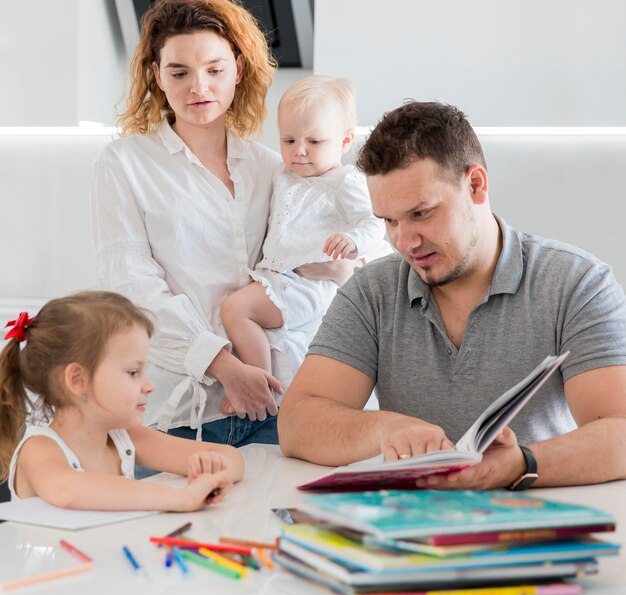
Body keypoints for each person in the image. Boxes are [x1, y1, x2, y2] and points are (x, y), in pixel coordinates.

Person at [278, 100, 626, 490]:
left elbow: (619, 431)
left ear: (476, 185)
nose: (404, 242)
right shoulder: (372, 290)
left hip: (534, 522)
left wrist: (519, 465)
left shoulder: (577, 283)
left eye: (421, 213)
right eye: (389, 221)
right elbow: (296, 423)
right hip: (408, 530)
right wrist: (386, 429)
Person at [90, 0, 354, 446]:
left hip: (281, 402)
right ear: (157, 76)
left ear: (238, 68)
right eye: (179, 72)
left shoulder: (275, 169)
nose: (199, 87)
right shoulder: (126, 164)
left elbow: (323, 265)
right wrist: (227, 369)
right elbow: (133, 287)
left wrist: (340, 267)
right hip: (182, 412)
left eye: (214, 69)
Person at [219, 76, 387, 412]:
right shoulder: (283, 174)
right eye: (289, 139)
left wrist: (352, 242)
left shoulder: (344, 182)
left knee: (235, 310)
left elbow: (376, 222)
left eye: (314, 141)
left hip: (307, 284)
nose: (299, 150)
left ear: (345, 141)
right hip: (281, 278)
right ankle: (269, 386)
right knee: (244, 316)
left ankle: (256, 385)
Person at [0, 291, 244, 511]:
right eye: (133, 373)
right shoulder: (39, 449)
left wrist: (211, 467)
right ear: (77, 380)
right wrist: (181, 498)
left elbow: (234, 460)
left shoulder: (125, 437)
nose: (149, 386)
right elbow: (69, 491)